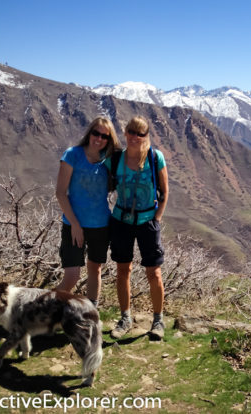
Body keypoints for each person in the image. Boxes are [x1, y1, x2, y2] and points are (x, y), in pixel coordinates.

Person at [108, 116, 169, 340]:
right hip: (121, 220)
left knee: (154, 272)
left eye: (140, 133)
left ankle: (158, 320)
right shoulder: (116, 159)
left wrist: (157, 219)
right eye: (131, 132)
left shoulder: (155, 157)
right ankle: (125, 318)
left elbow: (164, 190)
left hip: (147, 222)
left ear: (146, 136)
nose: (135, 137)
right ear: (125, 133)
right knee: (123, 270)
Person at [55, 116, 121, 307]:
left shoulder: (109, 160)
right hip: (73, 224)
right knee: (72, 276)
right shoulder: (72, 155)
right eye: (96, 133)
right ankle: (43, 309)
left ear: (109, 140)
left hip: (100, 224)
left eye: (104, 136)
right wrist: (75, 224)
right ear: (89, 133)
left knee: (95, 270)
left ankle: (90, 313)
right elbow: (60, 193)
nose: (99, 139)